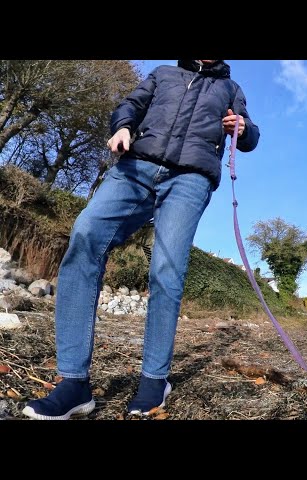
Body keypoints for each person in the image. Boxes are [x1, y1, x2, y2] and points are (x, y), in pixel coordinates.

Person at [22, 60, 260, 420]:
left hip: (190, 179)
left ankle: (154, 379)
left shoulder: (231, 89)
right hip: (136, 165)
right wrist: (122, 127)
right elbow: (130, 105)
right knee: (86, 234)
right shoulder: (164, 73)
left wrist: (241, 130)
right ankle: (73, 382)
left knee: (168, 270)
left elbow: (251, 135)